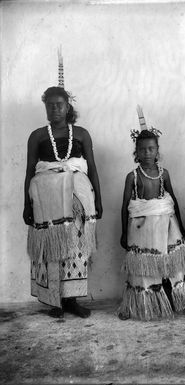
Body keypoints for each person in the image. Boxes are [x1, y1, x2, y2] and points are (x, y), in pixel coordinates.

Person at [23, 58, 102, 318]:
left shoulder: (81, 134)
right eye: (50, 106)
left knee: (75, 246)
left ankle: (72, 300)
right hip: (45, 199)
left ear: (68, 107)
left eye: (59, 105)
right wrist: (27, 204)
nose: (55, 109)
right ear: (46, 108)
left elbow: (91, 167)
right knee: (51, 247)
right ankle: (54, 301)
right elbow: (29, 171)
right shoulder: (37, 136)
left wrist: (98, 200)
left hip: (77, 196)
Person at [118, 106, 185, 321]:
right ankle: (141, 304)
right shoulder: (132, 177)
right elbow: (125, 205)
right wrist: (124, 234)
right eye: (142, 149)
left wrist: (180, 227)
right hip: (142, 231)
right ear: (136, 152)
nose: (147, 153)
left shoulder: (165, 174)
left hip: (167, 227)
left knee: (172, 264)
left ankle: (177, 300)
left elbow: (174, 202)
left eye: (151, 148)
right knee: (143, 268)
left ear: (157, 150)